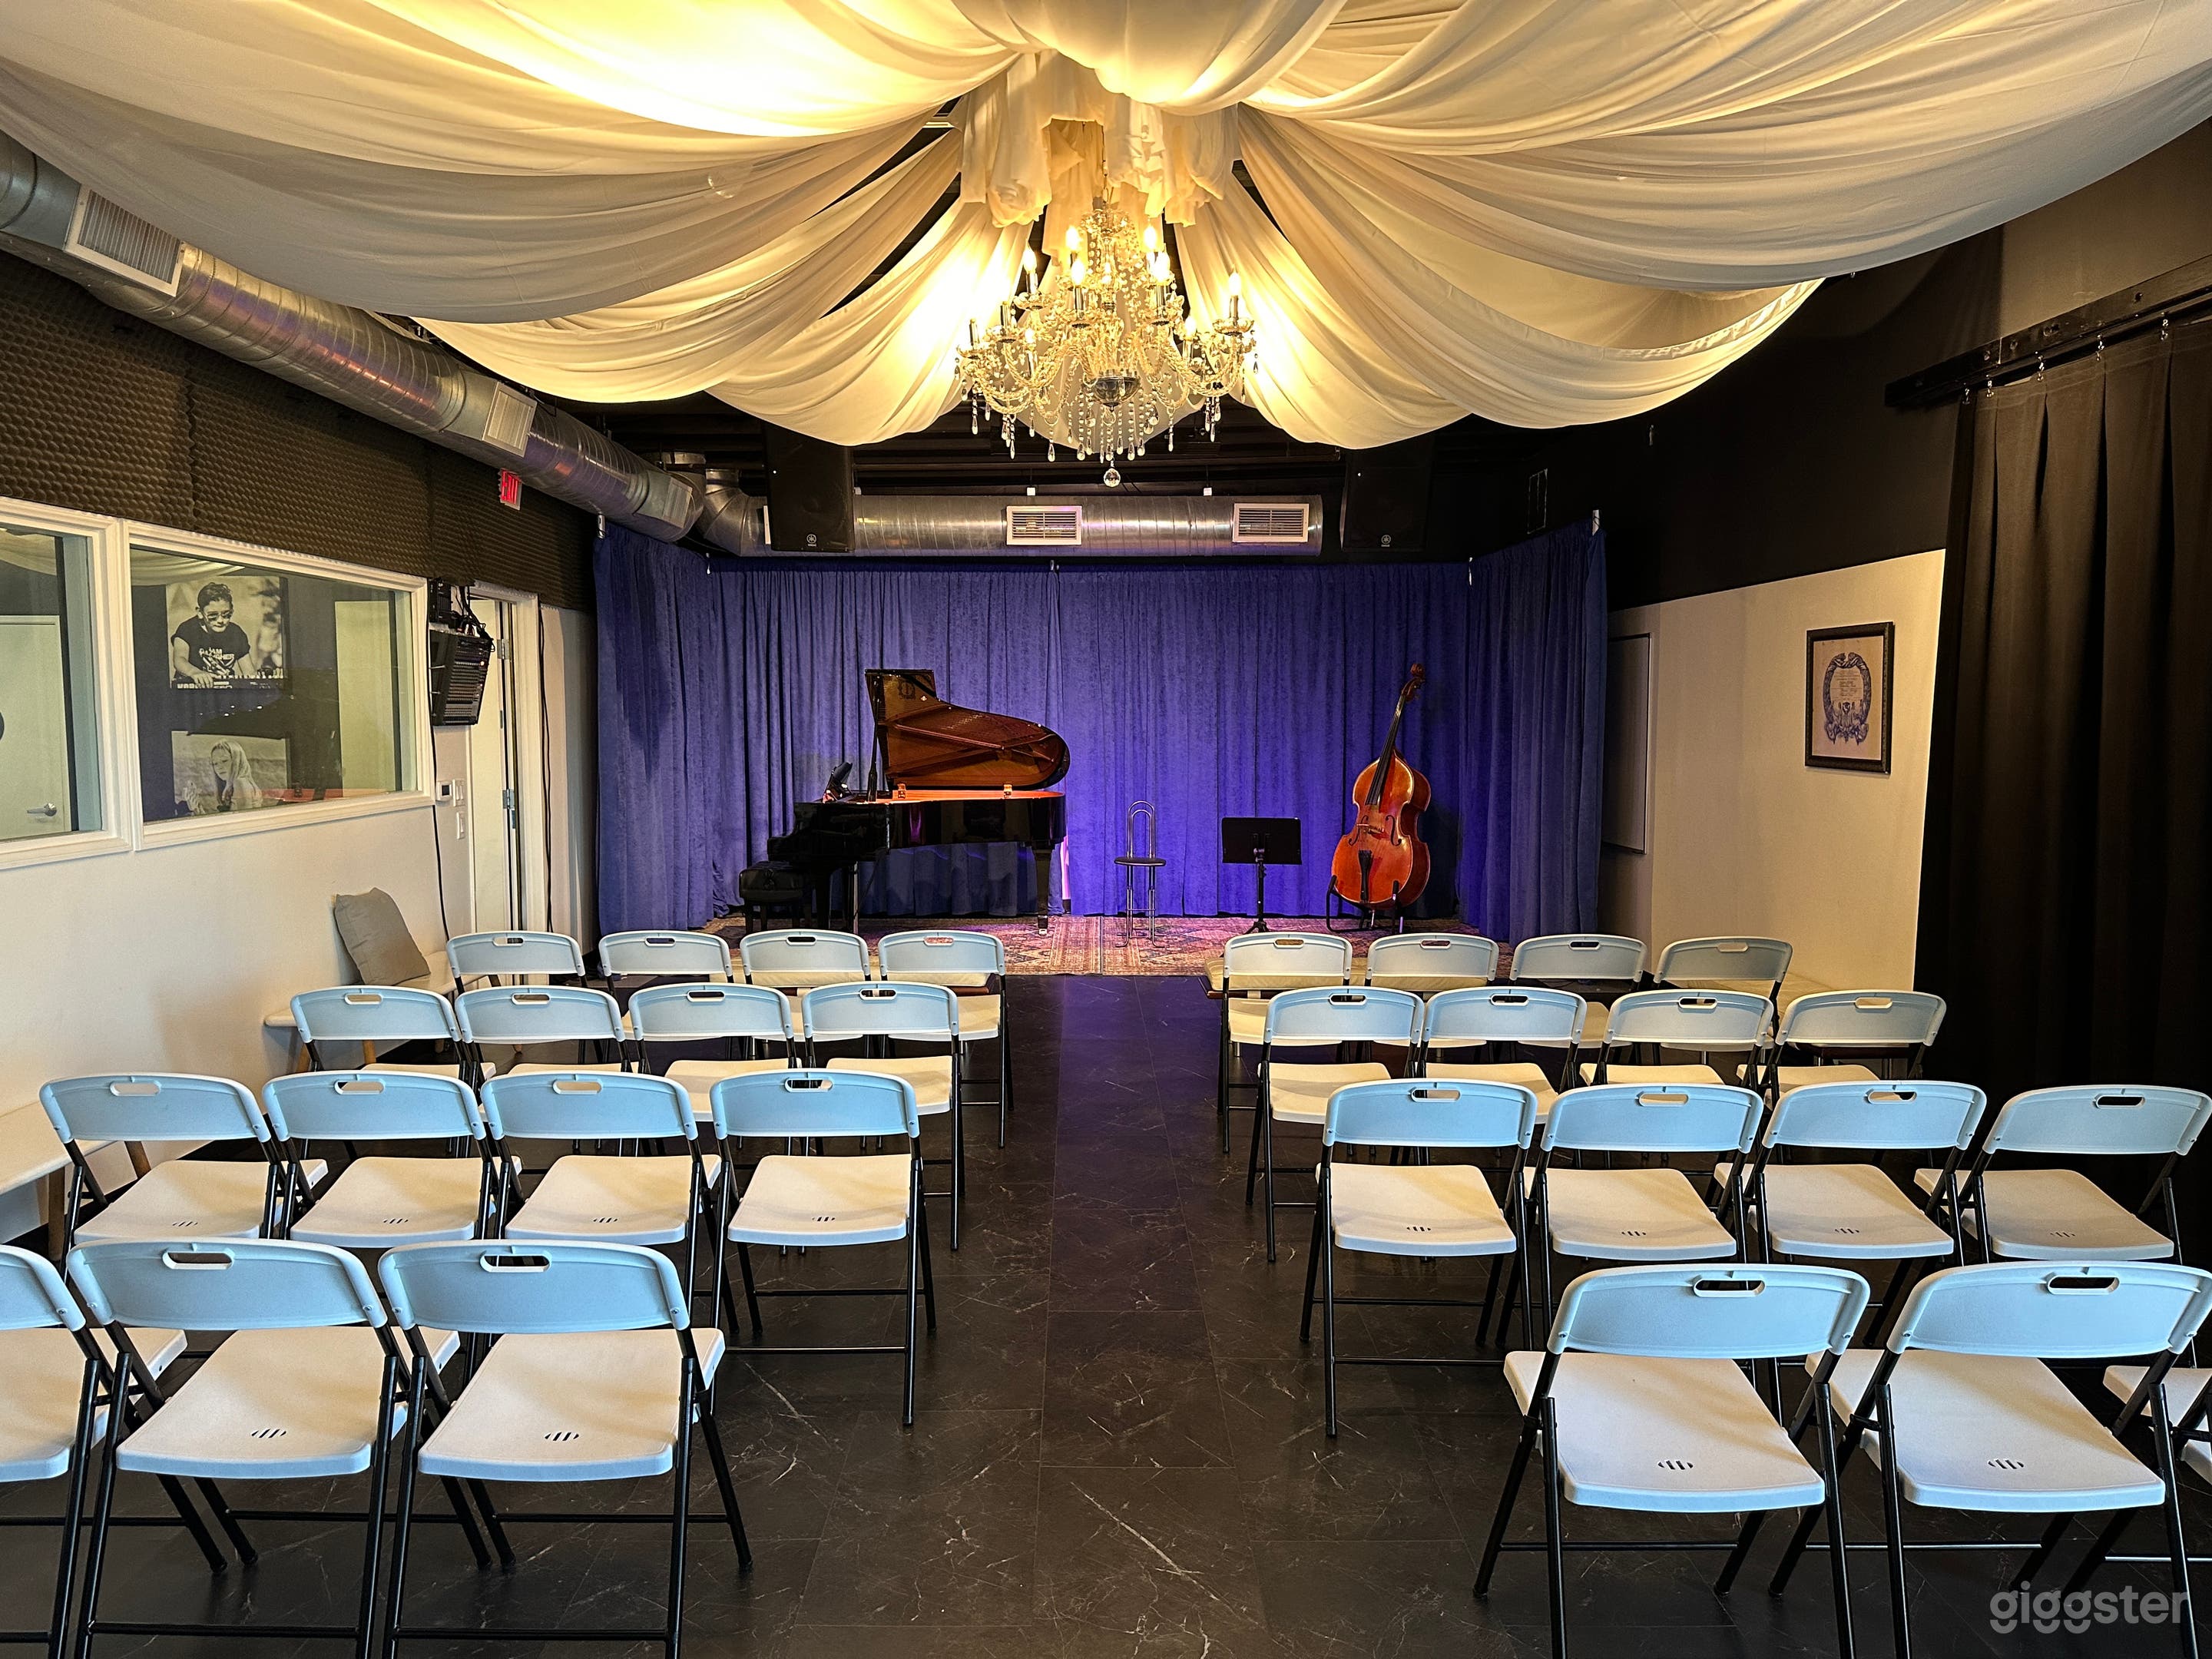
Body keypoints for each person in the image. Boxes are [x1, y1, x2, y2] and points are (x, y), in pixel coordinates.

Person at [170, 581, 252, 686]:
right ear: (200, 613)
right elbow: (180, 660)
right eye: (213, 616)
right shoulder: (187, 629)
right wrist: (195, 672)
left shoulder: (236, 633)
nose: (221, 620)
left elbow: (250, 673)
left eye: (226, 614)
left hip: (225, 692)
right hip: (193, 692)